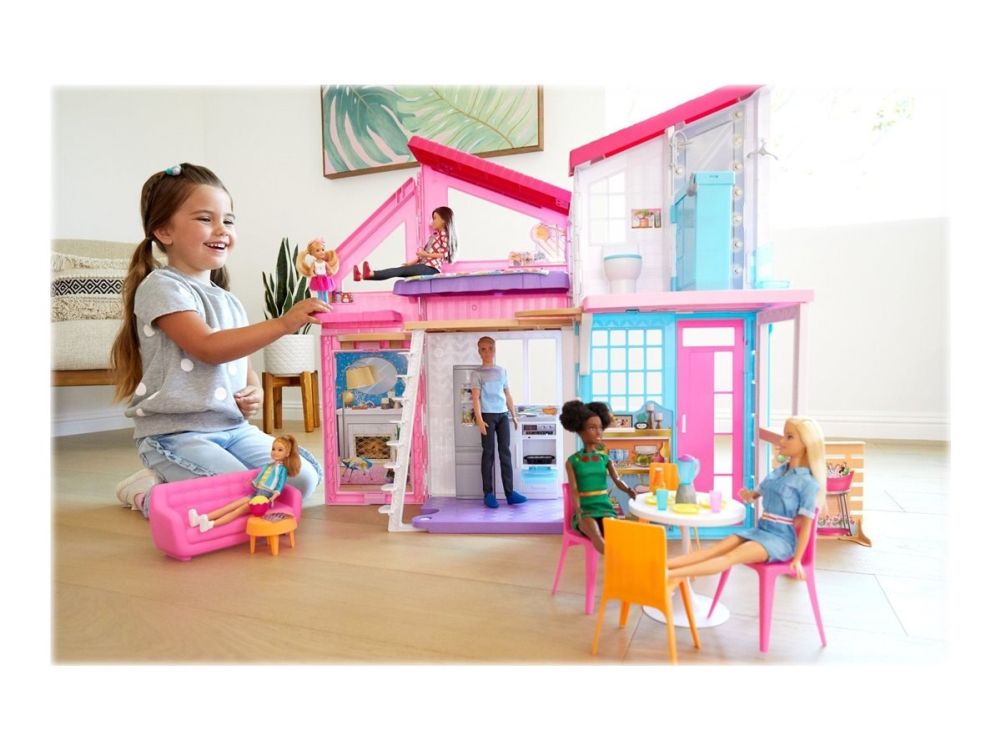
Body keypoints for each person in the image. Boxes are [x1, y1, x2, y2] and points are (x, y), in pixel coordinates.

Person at [110, 163, 330, 516]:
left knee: (300, 478)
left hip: (234, 429)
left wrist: (254, 390)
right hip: (177, 434)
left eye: (228, 220)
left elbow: (242, 366)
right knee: (241, 493)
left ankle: (184, 483)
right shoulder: (161, 287)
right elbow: (208, 347)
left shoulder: (228, 300)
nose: (221, 229)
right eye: (205, 218)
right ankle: (148, 492)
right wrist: (283, 323)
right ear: (164, 230)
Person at [665, 416, 826, 579]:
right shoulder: (779, 471)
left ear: (806, 444)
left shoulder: (808, 483)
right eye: (784, 435)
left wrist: (797, 560)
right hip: (760, 530)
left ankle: (667, 575)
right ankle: (661, 565)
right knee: (713, 550)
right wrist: (749, 495)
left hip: (780, 541)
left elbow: (807, 526)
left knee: (728, 558)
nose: (782, 440)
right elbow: (758, 492)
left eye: (789, 437)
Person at [559, 400, 636, 554]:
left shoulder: (604, 459)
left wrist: (629, 490)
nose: (598, 432)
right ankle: (617, 560)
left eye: (600, 427)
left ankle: (621, 562)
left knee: (615, 533)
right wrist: (578, 513)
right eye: (592, 428)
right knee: (595, 534)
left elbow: (617, 480)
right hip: (586, 511)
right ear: (580, 431)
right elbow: (574, 490)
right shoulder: (573, 461)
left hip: (605, 509)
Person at [188, 434, 300, 532]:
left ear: (287, 453)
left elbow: (279, 486)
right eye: (273, 449)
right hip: (256, 493)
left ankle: (211, 524)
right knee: (230, 506)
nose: (275, 452)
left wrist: (272, 498)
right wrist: (253, 483)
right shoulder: (268, 465)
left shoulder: (282, 470)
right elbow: (262, 479)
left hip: (263, 499)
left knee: (238, 511)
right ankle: (200, 519)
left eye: (280, 450)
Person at [470, 336, 527, 508]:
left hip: (502, 416)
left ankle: (509, 493)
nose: (487, 352)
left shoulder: (502, 371)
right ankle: (488, 494)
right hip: (487, 416)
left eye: (490, 348)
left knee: (505, 453)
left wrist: (514, 415)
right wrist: (479, 420)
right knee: (488, 454)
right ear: (479, 352)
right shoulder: (477, 373)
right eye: (483, 349)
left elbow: (508, 394)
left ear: (494, 350)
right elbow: (475, 398)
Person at [353, 206, 457, 281]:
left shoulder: (444, 235)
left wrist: (426, 254)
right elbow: (424, 255)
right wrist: (411, 263)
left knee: (399, 271)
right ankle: (362, 276)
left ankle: (369, 274)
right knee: (399, 271)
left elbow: (444, 254)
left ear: (444, 220)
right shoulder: (434, 236)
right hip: (425, 266)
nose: (432, 221)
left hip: (432, 269)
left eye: (435, 218)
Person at [297, 237, 338, 303]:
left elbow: (329, 269)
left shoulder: (324, 263)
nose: (321, 252)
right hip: (318, 278)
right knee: (319, 293)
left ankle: (326, 303)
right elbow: (311, 270)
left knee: (325, 292)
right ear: (312, 253)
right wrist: (312, 274)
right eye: (317, 250)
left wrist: (331, 271)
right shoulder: (314, 263)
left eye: (322, 249)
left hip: (324, 278)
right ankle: (321, 303)